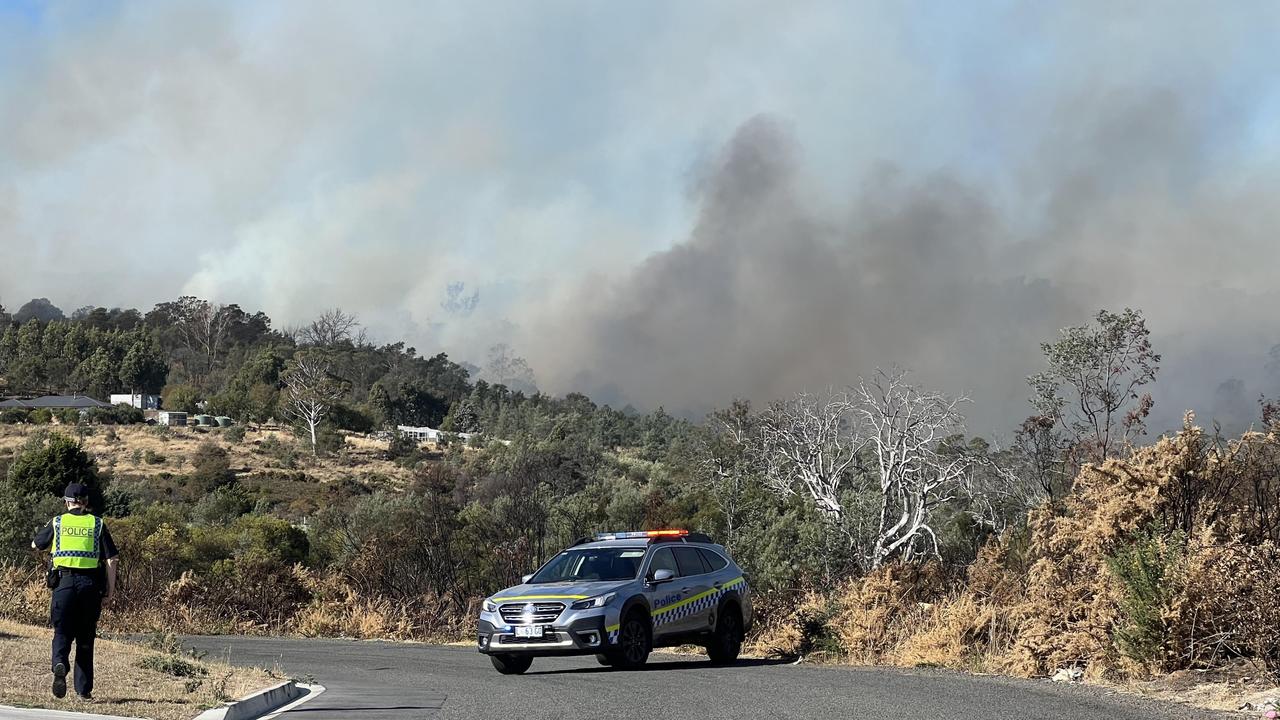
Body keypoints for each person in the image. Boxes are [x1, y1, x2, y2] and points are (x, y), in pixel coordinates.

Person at [30, 482, 119, 701]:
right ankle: (83, 690)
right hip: (90, 586)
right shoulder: (97, 524)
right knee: (86, 638)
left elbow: (36, 544)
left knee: (62, 632)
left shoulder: (58, 522)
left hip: (64, 584)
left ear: (67, 502)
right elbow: (112, 559)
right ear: (86, 502)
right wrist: (110, 590)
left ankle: (59, 662)